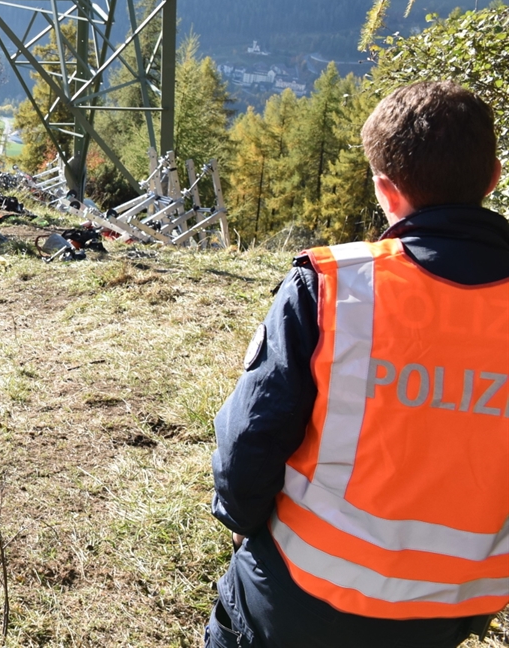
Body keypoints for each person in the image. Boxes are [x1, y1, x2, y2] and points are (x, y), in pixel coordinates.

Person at [206, 81, 508, 648]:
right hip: (458, 608)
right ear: (494, 177)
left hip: (302, 597)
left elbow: (250, 438)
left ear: (385, 191)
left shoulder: (334, 287)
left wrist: (245, 526)